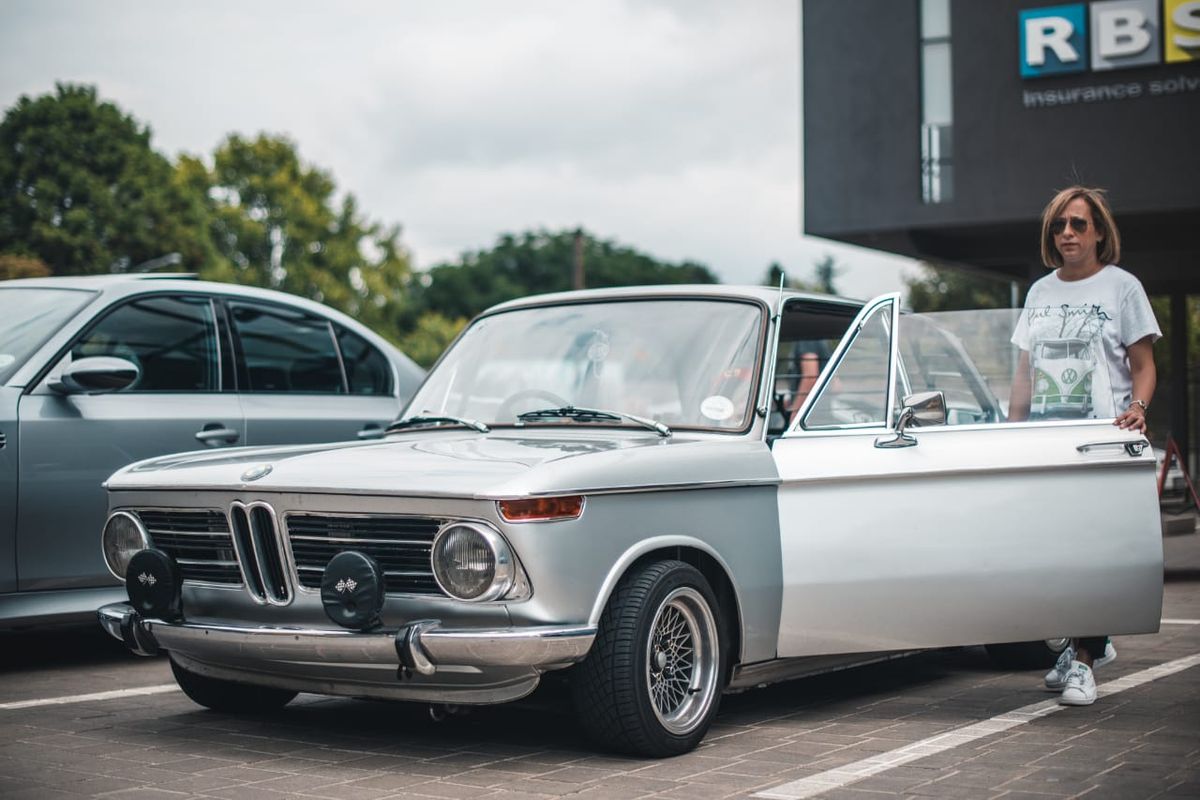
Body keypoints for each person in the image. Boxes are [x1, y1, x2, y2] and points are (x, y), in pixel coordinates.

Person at [1009, 185, 1160, 706]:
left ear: (1098, 232)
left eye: (1078, 224)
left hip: (1100, 443)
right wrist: (1012, 433)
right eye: (1059, 226)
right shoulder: (1039, 292)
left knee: (1092, 552)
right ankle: (1089, 643)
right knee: (1055, 552)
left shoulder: (1123, 287)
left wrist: (1138, 408)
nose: (1067, 233)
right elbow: (1024, 373)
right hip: (1047, 440)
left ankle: (1084, 660)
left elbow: (1143, 366)